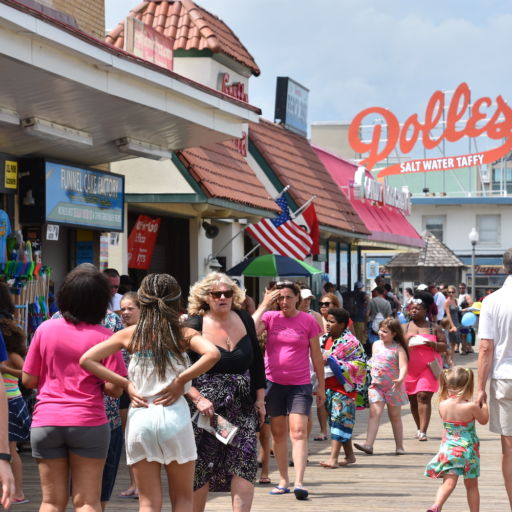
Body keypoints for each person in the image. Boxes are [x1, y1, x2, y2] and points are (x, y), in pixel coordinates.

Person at [81, 273, 220, 512]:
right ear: (176, 300)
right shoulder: (182, 333)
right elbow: (213, 354)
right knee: (183, 499)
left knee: (147, 502)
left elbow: (87, 359)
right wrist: (181, 380)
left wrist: (125, 384)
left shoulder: (131, 333)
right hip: (175, 417)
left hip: (140, 416)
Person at [22, 263, 127, 512]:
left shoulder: (45, 329)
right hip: (88, 421)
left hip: (46, 420)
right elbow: (115, 389)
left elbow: (28, 380)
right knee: (87, 501)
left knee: (50, 501)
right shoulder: (105, 337)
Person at [185, 272, 266, 512]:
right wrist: (197, 399)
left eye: (227, 293)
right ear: (205, 297)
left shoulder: (244, 318)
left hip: (242, 406)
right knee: (202, 465)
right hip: (207, 410)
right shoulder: (194, 324)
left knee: (244, 462)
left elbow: (257, 363)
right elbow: (180, 371)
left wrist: (260, 399)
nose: (222, 297)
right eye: (216, 294)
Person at [253, 281, 324, 501]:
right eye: (280, 298)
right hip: (273, 383)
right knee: (279, 433)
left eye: (288, 297)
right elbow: (249, 329)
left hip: (300, 384)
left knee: (299, 431)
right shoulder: (270, 318)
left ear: (297, 299)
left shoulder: (308, 321)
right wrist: (264, 304)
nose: (284, 302)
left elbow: (316, 354)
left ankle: (299, 481)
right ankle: (283, 480)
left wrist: (321, 384)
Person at [425, 367, 489, 512]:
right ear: (468, 385)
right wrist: (484, 404)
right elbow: (484, 420)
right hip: (468, 451)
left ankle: (436, 506)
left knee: (448, 482)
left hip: (449, 449)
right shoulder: (471, 406)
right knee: (471, 485)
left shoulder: (442, 404)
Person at [477, 248, 512, 508]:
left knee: (509, 447)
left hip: (504, 377)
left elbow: (486, 348)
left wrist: (480, 388)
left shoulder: (492, 301)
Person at [319, 308, 367, 468]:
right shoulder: (325, 339)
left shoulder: (351, 342)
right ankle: (349, 455)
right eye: (327, 321)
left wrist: (334, 362)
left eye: (332, 322)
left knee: (339, 420)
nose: (328, 325)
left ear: (342, 324)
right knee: (337, 421)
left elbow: (360, 365)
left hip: (344, 388)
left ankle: (333, 458)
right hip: (327, 387)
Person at [355, 317, 408, 456]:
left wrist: (401, 379)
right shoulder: (376, 344)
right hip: (376, 385)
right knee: (374, 414)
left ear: (394, 333)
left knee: (395, 416)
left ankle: (399, 446)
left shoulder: (398, 348)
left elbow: (404, 366)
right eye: (380, 330)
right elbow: (374, 359)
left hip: (393, 387)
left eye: (385, 331)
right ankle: (368, 444)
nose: (381, 333)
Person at [403, 292, 446, 441]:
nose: (414, 310)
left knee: (423, 396)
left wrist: (432, 344)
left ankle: (423, 430)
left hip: (429, 367)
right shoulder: (404, 327)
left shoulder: (434, 328)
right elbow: (396, 345)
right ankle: (418, 426)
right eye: (412, 308)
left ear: (426, 310)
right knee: (413, 400)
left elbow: (444, 347)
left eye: (418, 308)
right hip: (409, 368)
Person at [0, 316, 30, 505]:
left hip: (11, 403)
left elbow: (28, 373)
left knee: (11, 449)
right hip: (10, 402)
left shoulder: (11, 355)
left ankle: (18, 491)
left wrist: (5, 369)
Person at [118, 291, 141, 499]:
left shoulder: (143, 333)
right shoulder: (120, 331)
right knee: (128, 439)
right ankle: (134, 483)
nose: (125, 312)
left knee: (134, 438)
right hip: (122, 389)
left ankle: (140, 484)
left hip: (138, 391)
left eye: (130, 308)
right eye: (122, 309)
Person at [367, 286, 392, 355]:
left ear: (377, 292)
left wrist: (364, 325)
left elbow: (367, 314)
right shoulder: (387, 303)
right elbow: (389, 316)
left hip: (372, 324)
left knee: (372, 341)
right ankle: (382, 354)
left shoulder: (372, 301)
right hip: (383, 324)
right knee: (382, 340)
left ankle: (374, 354)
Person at [444, 285, 462, 360]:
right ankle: (447, 361)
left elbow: (457, 311)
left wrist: (465, 310)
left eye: (452, 292)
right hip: (450, 323)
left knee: (454, 343)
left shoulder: (455, 300)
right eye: (449, 292)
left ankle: (451, 360)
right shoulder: (447, 301)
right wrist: (452, 326)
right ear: (447, 292)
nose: (451, 293)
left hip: (456, 322)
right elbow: (448, 314)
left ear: (455, 292)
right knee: (449, 343)